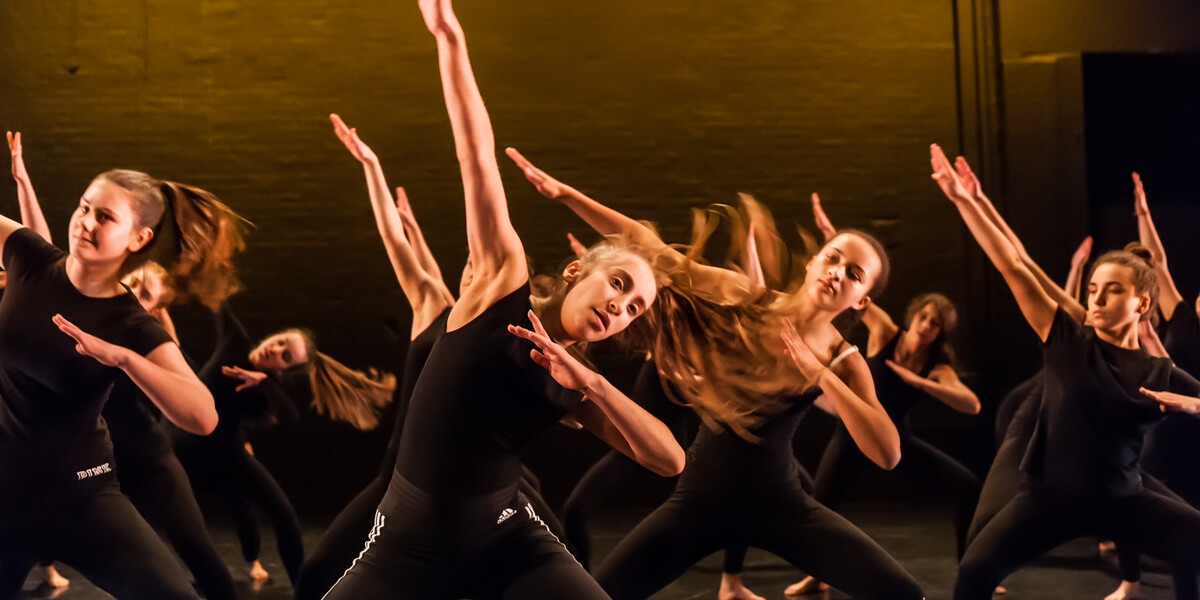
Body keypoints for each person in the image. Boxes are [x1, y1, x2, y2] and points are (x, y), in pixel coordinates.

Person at [320, 1, 683, 597]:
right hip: (406, 540)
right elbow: (476, 158)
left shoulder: (573, 384)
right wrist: (450, 39)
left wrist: (588, 383)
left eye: (635, 308)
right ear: (576, 271)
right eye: (619, 283)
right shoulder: (499, 283)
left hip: (508, 539)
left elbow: (669, 461)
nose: (622, 307)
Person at [504, 148, 922, 599]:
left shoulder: (844, 359)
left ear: (862, 300)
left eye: (855, 274)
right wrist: (567, 195)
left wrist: (819, 373)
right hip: (699, 501)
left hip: (783, 506)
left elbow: (887, 453)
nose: (838, 273)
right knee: (602, 594)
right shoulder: (747, 297)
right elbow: (656, 253)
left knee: (904, 593)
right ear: (814, 261)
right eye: (834, 258)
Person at [929, 145, 1200, 600]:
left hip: (1123, 501)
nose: (1096, 299)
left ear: (1142, 305)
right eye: (1093, 289)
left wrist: (1193, 404)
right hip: (1046, 501)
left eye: (1112, 291)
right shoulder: (1067, 341)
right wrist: (963, 201)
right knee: (974, 570)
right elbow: (1012, 264)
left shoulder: (1158, 370)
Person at [0, 161, 242, 599]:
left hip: (80, 499)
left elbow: (204, 415)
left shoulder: (129, 324)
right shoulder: (28, 257)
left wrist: (125, 358)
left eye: (105, 217)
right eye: (84, 206)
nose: (85, 222)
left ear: (138, 237)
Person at [789, 194, 981, 595]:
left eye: (934, 324)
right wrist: (831, 235)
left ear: (940, 334)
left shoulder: (937, 367)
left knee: (967, 486)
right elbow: (854, 283)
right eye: (924, 317)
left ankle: (973, 567)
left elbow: (972, 404)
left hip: (898, 441)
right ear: (914, 317)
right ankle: (816, 574)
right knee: (821, 506)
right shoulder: (884, 333)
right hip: (850, 440)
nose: (926, 326)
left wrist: (921, 384)